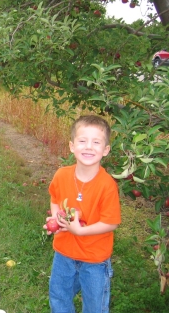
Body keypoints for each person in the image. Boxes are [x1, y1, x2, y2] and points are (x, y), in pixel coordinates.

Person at [43, 115, 121, 313]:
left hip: (94, 259)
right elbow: (55, 198)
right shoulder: (62, 175)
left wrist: (80, 232)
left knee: (94, 306)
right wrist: (56, 217)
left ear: (105, 150)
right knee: (59, 297)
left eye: (96, 142)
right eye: (82, 141)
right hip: (64, 253)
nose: (89, 147)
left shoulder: (107, 185)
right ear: (72, 146)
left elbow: (111, 222)